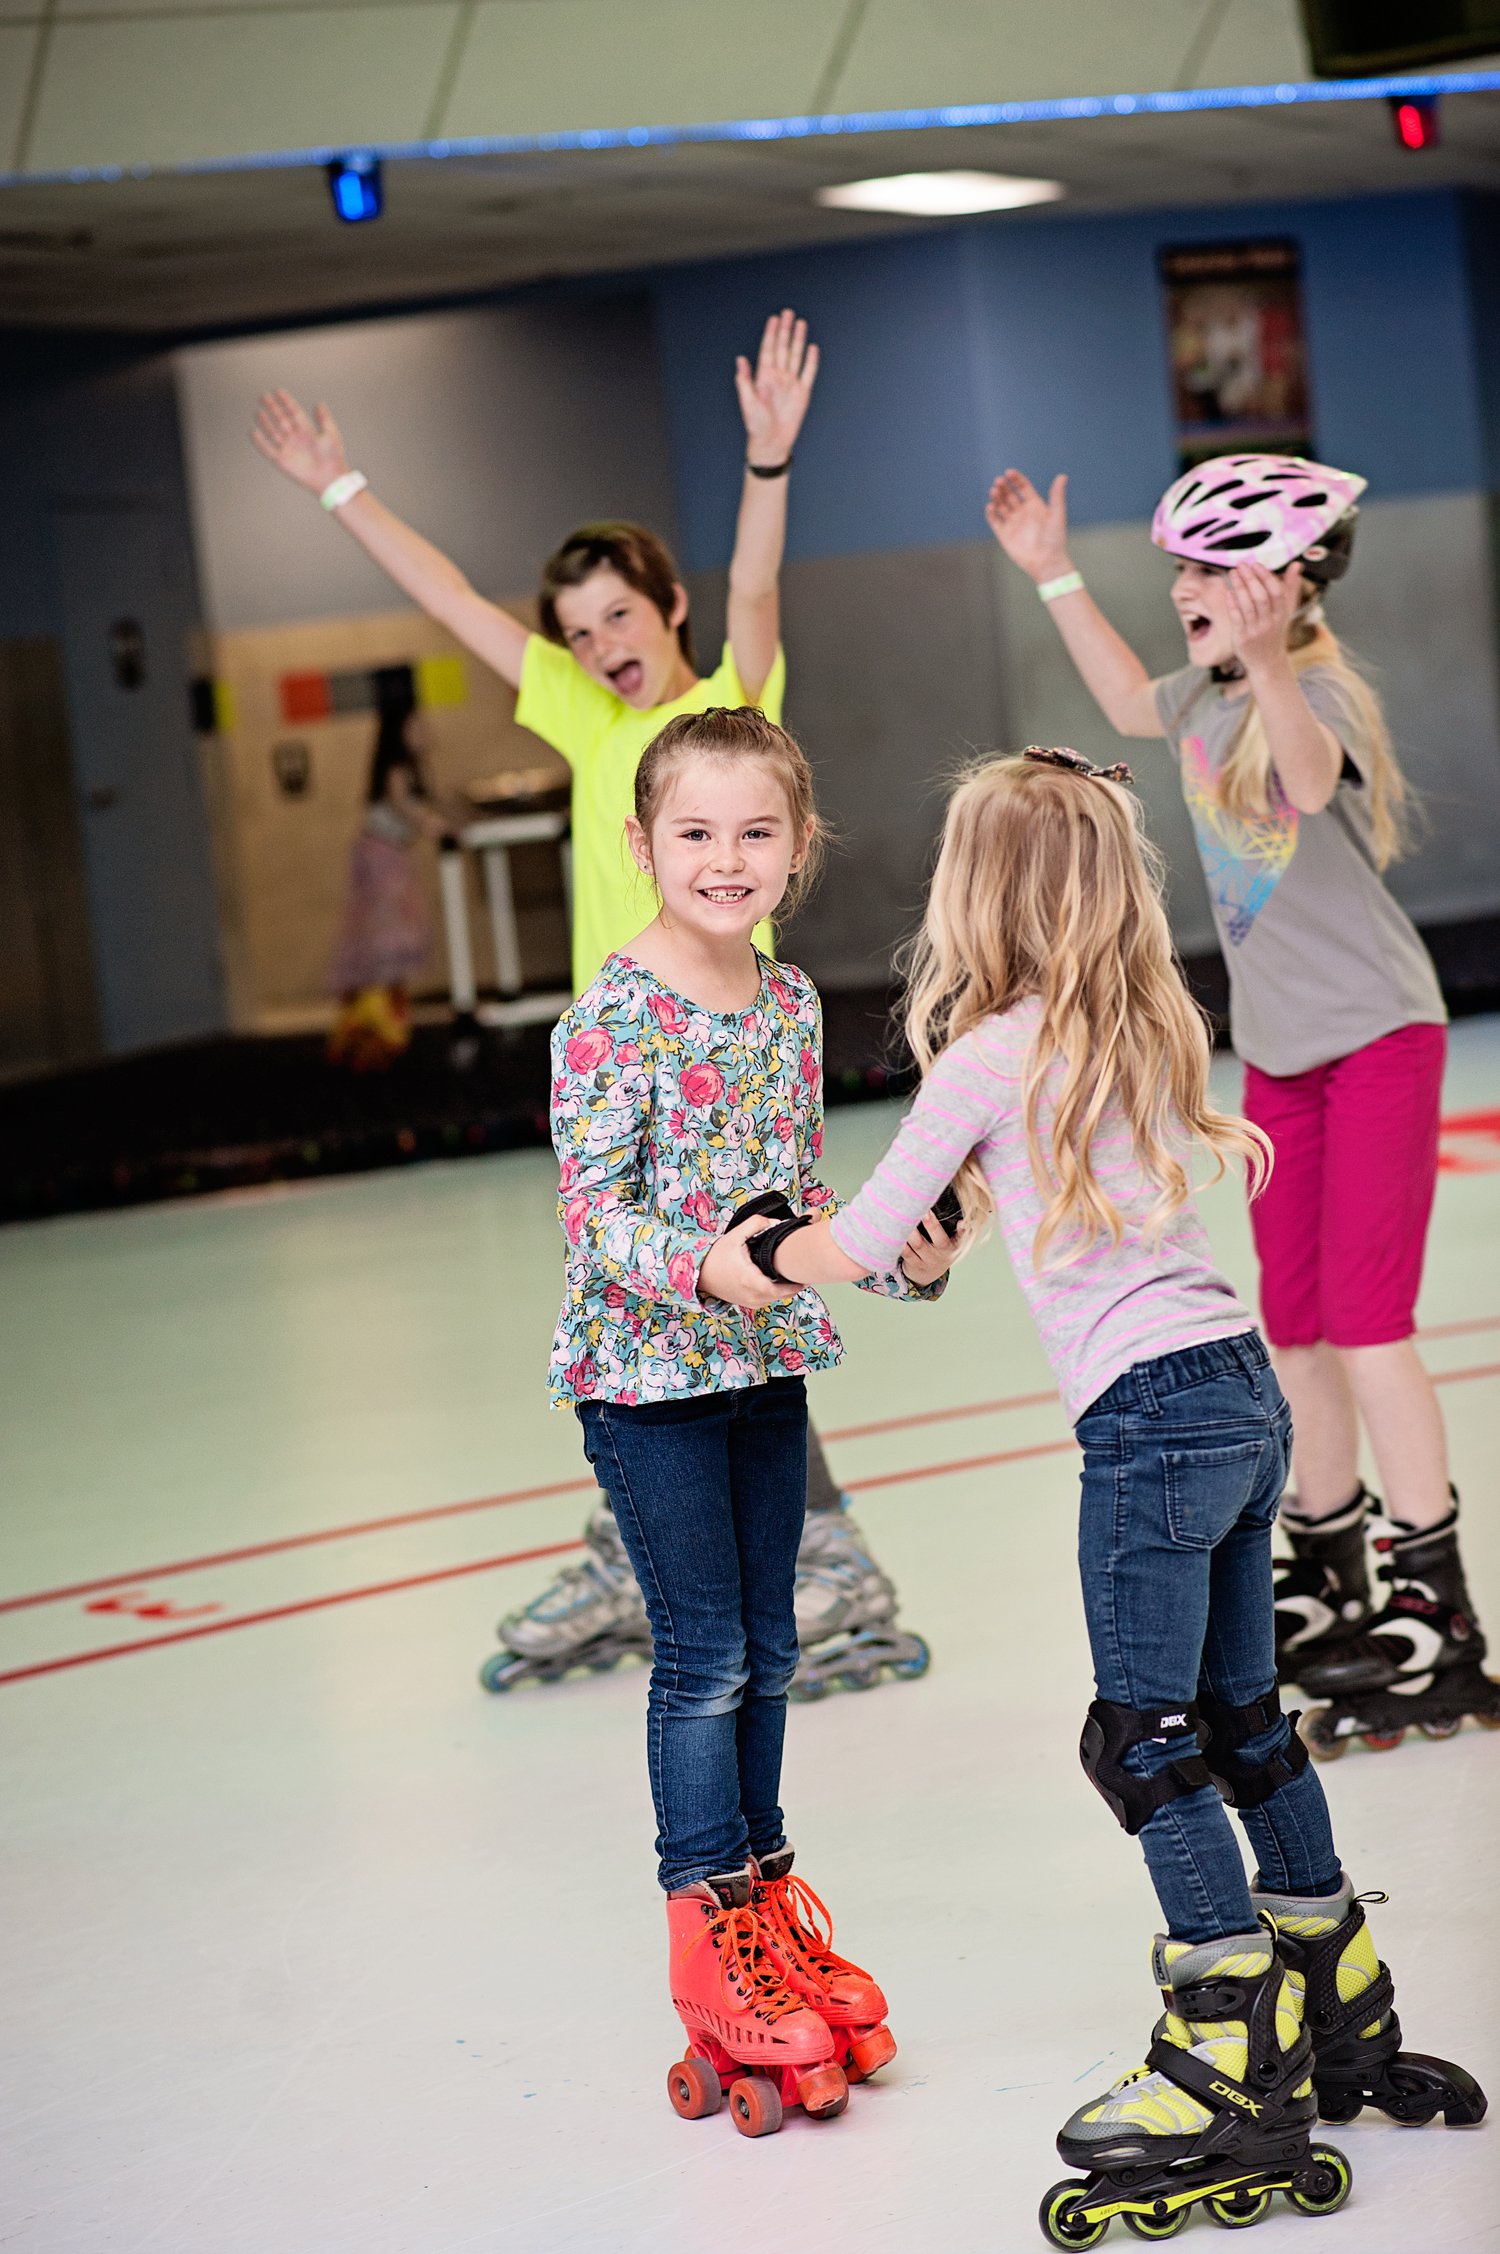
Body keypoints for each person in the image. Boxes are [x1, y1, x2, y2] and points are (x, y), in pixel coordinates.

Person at [725, 750, 1483, 2221]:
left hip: (1146, 1423)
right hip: (1240, 1392)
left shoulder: (987, 1053)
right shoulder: (1133, 1026)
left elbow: (871, 1230)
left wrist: (752, 1258)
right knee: (1243, 1721)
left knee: (1141, 1742)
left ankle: (1229, 2037)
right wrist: (931, 1236)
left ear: (979, 890)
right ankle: (1341, 1995)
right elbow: (972, 1218)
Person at [251, 312, 925, 1697]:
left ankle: (818, 1550)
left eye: (620, 613)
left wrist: (769, 464)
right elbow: (447, 599)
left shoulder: (734, 701)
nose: (599, 641)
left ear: (664, 608)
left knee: (737, 1297)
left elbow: (753, 589)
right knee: (630, 1312)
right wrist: (338, 488)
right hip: (620, 1061)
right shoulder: (573, 714)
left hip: (726, 1061)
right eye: (575, 628)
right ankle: (650, 1541)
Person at [985, 453, 1498, 1756]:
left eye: (1211, 569)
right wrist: (1052, 565)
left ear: (1282, 580)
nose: (1185, 590)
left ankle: (1439, 1610)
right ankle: (1331, 1581)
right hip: (1281, 1054)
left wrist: (1273, 656)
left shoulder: (1304, 689)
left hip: (1381, 1036)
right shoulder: (1203, 696)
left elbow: (1314, 779)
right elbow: (1116, 691)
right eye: (1182, 568)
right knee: (1300, 1326)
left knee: (1371, 1322)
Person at [549, 705, 954, 2134]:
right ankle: (704, 1938)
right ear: (642, 842)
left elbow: (794, 1201)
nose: (727, 858)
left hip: (760, 1367)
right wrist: (734, 1261)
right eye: (697, 832)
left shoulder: (785, 1004)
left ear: (799, 846)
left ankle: (767, 1903)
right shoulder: (607, 1014)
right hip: (645, 1386)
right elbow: (601, 1225)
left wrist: (901, 1246)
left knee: (775, 1641)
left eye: (757, 832)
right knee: (706, 1655)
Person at [326, 694, 451, 1070]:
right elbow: (404, 807)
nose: (422, 732)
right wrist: (432, 824)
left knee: (392, 938)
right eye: (415, 726)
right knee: (383, 937)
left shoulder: (413, 767)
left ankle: (381, 1026)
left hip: (390, 856)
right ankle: (370, 1029)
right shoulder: (396, 768)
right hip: (380, 859)